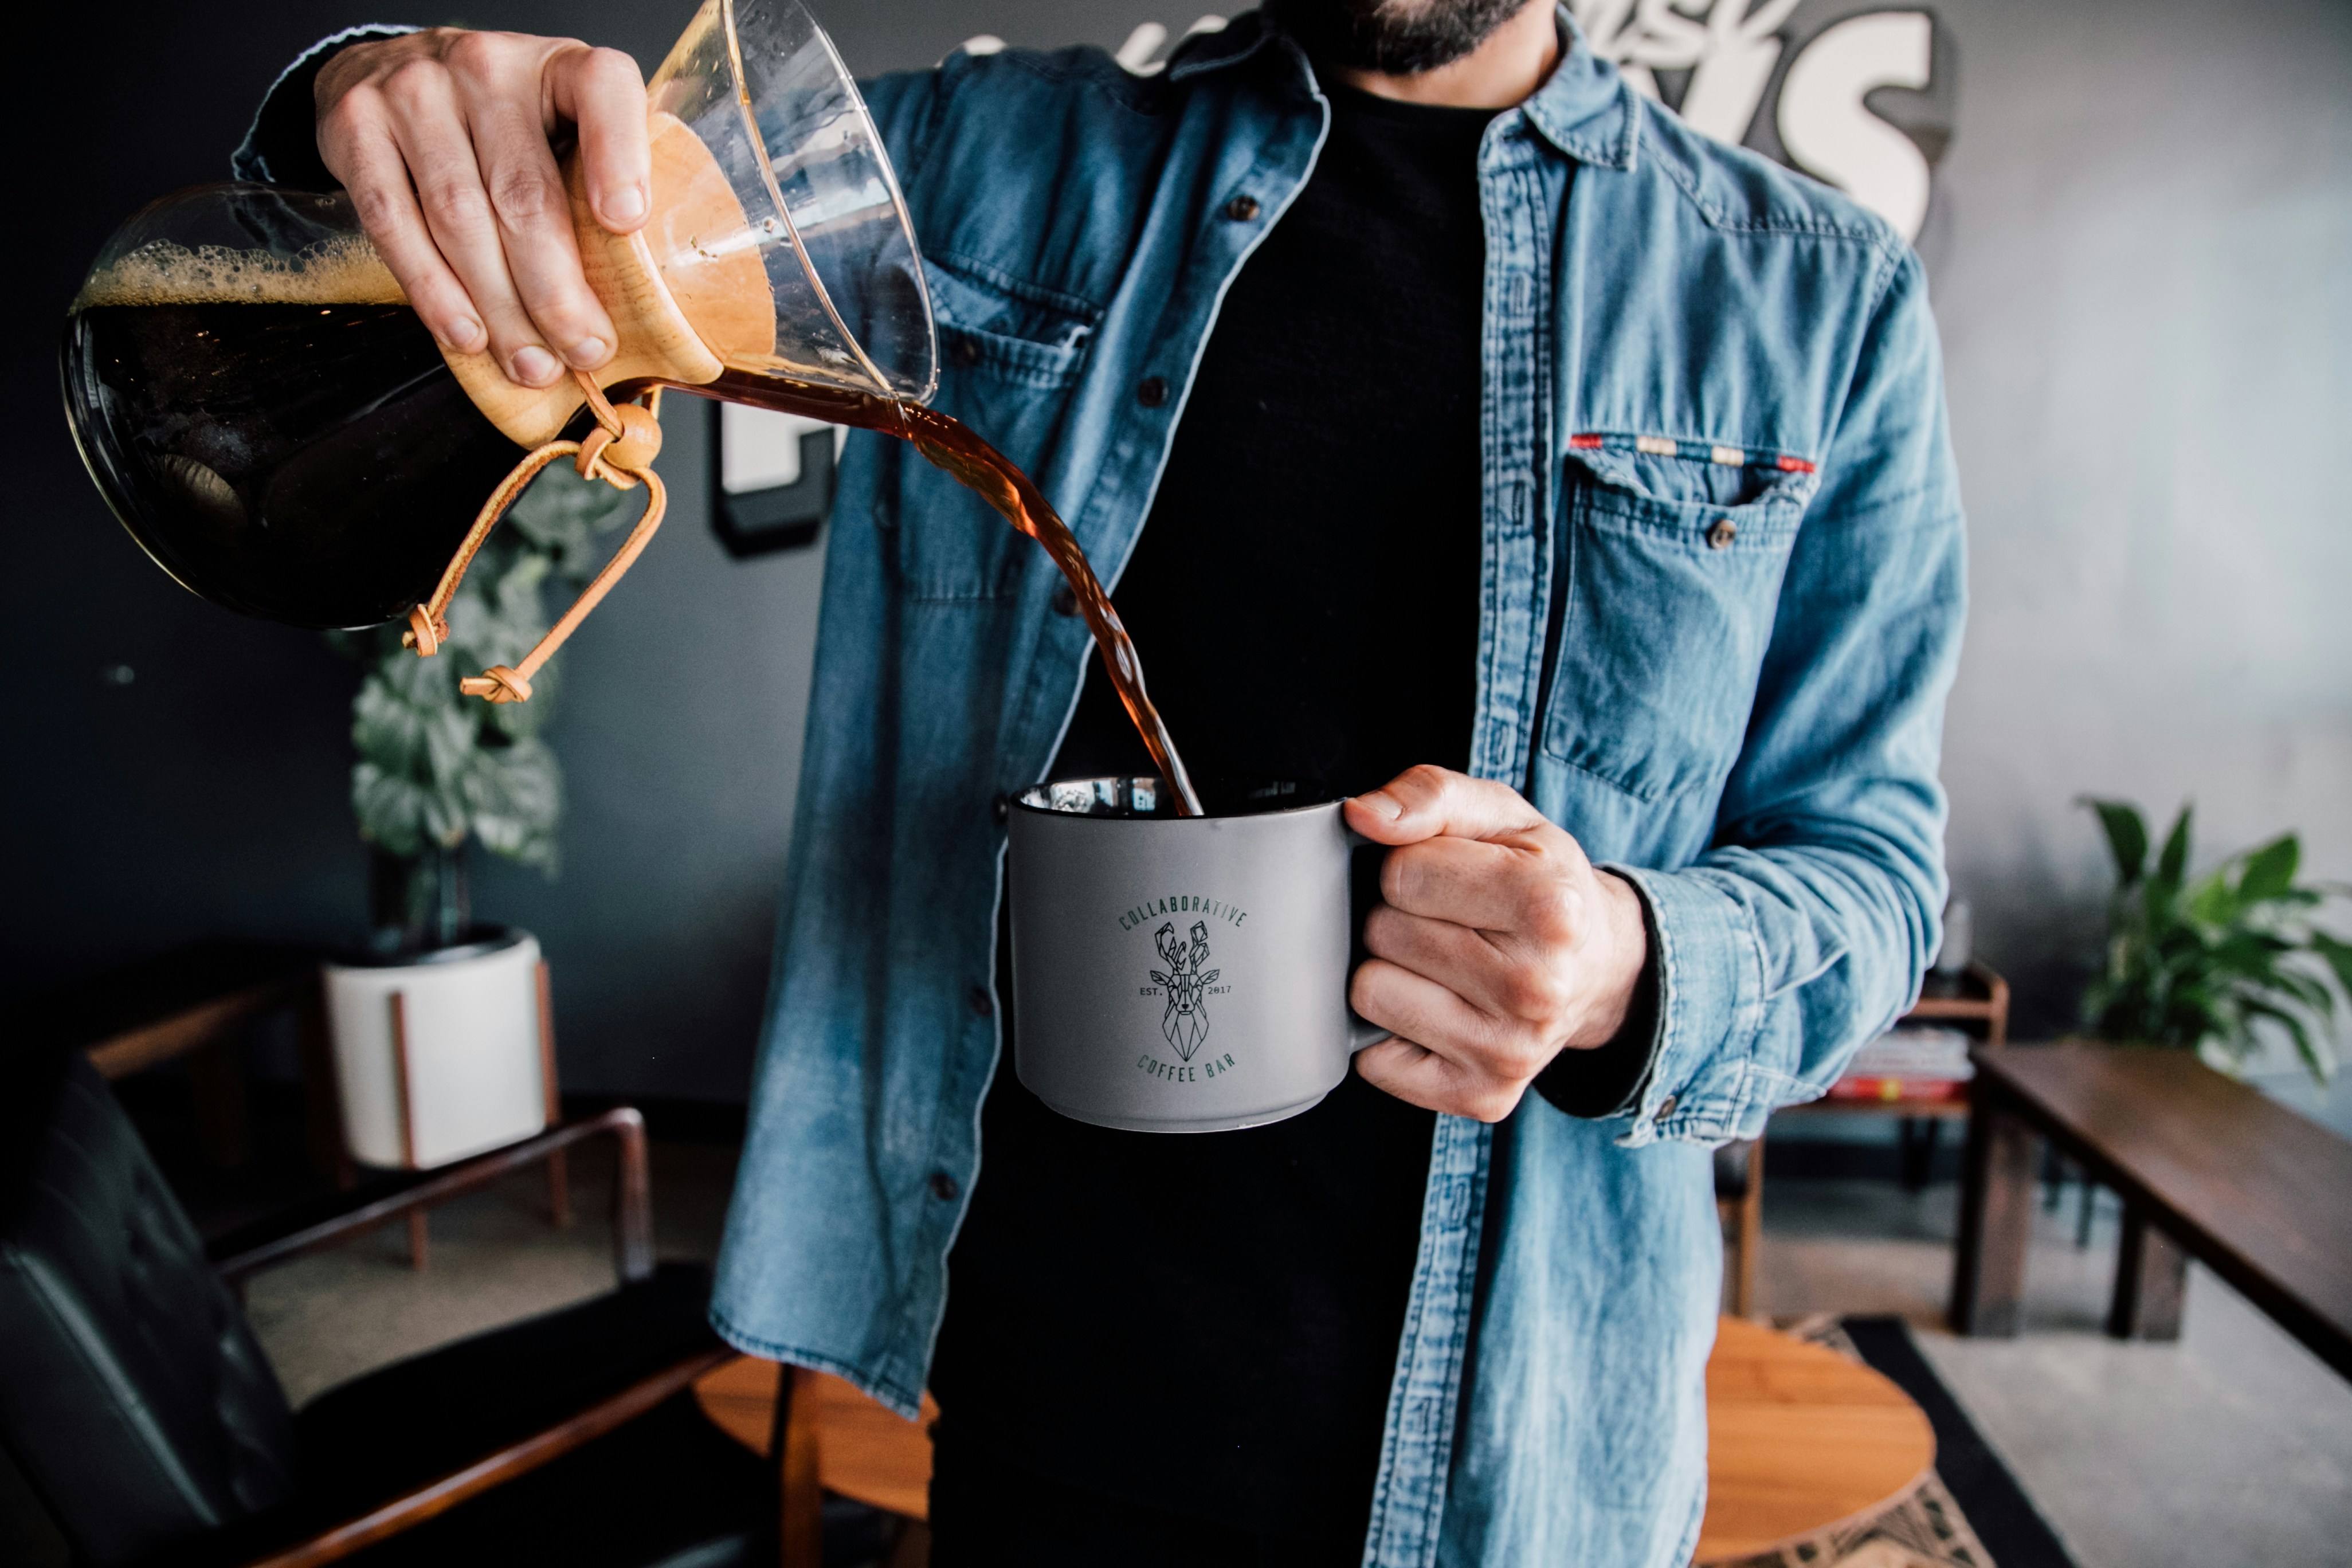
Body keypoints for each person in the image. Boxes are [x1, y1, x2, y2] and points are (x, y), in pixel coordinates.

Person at [241, 2, 1963, 1561]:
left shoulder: (1815, 295)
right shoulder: (981, 171)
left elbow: (1872, 866)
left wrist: (1622, 961)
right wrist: (371, 85)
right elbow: (565, 184)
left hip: (1527, 1450)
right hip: (1052, 1387)